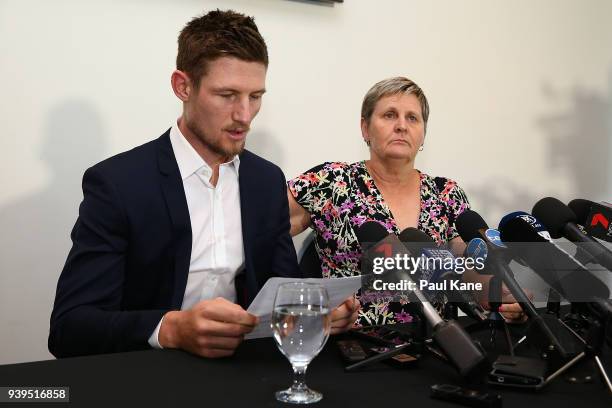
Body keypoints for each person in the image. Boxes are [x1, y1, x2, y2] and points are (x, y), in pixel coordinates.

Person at [49, 9, 358, 359]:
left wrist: (316, 313)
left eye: (255, 96)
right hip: (147, 376)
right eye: (227, 95)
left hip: (243, 375)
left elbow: (281, 292)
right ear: (183, 86)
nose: (244, 115)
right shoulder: (118, 184)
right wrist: (170, 329)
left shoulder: (266, 181)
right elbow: (69, 329)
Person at [287, 76, 526, 326]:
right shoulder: (331, 182)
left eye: (412, 118)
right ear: (365, 128)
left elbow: (468, 271)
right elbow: (259, 230)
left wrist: (499, 295)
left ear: (423, 134)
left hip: (434, 345)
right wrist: (295, 306)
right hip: (349, 346)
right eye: (389, 115)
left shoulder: (445, 193)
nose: (402, 126)